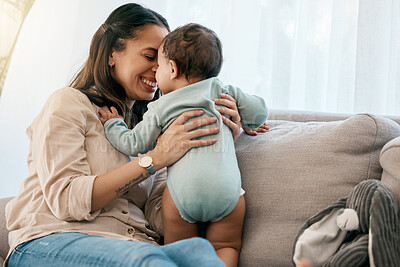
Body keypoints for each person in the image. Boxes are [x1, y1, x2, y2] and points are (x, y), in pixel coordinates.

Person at [4, 3, 267, 267]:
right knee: (146, 259)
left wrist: (210, 143)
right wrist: (154, 159)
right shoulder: (69, 103)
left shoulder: (157, 127)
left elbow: (161, 217)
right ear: (111, 54)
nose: (159, 68)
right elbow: (66, 200)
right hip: (53, 240)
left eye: (163, 60)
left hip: (134, 244)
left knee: (198, 253)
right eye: (150, 55)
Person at [98, 23, 269, 267]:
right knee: (226, 245)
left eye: (159, 65)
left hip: (182, 196)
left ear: (173, 69)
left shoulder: (160, 107)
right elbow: (260, 110)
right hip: (227, 193)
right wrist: (248, 119)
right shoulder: (223, 91)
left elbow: (133, 143)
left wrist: (113, 125)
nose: (155, 71)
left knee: (182, 253)